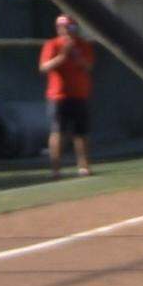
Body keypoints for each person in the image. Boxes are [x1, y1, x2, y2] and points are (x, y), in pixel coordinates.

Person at [39, 13, 95, 178]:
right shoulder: (52, 45)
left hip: (79, 95)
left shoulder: (83, 45)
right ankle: (56, 169)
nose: (66, 31)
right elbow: (44, 67)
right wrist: (62, 56)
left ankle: (84, 166)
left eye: (70, 27)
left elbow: (88, 66)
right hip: (58, 97)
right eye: (62, 27)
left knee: (81, 133)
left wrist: (75, 54)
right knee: (58, 132)